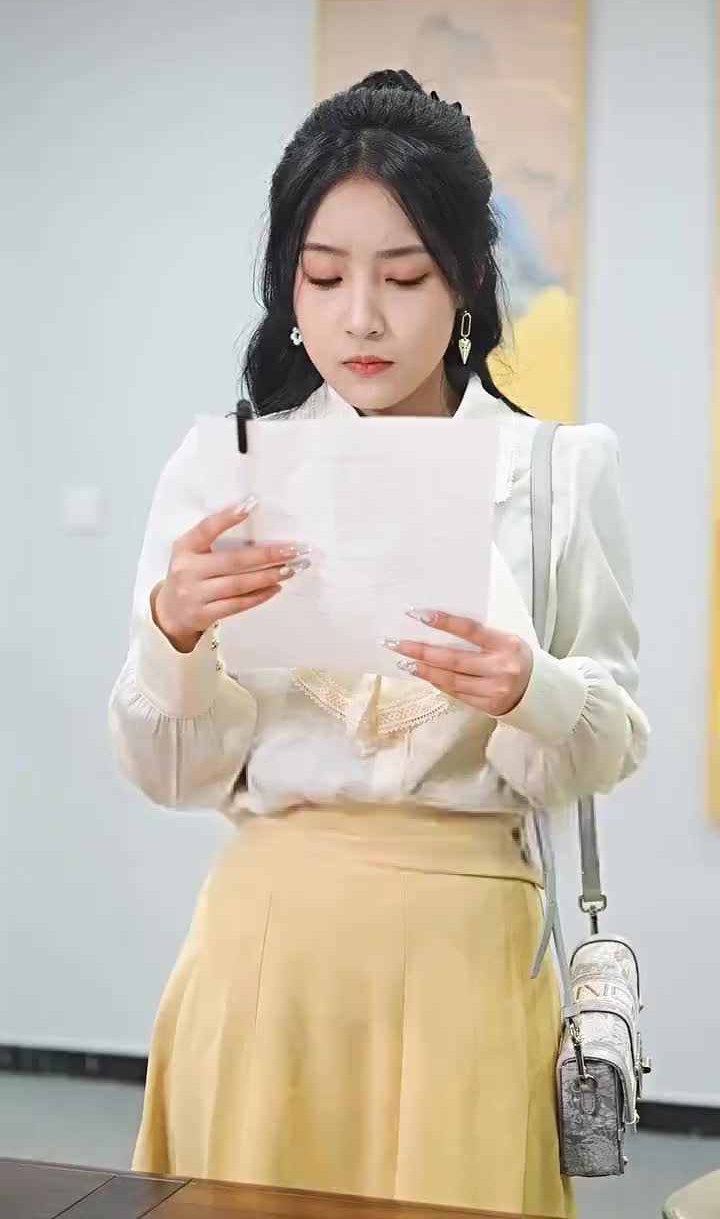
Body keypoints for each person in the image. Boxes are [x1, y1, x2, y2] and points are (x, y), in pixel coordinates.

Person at [109, 69, 649, 1218]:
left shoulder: (560, 471)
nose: (360, 317)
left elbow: (607, 747)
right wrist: (173, 632)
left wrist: (534, 690)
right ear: (286, 288)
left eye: (403, 277)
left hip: (466, 959)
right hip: (263, 956)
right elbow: (169, 773)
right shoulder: (223, 470)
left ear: (466, 279)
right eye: (322, 277)